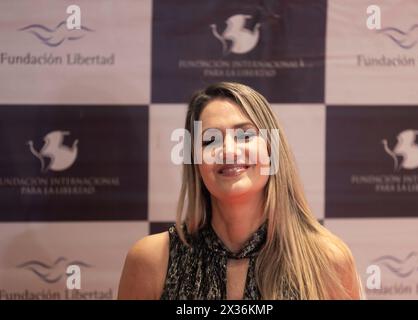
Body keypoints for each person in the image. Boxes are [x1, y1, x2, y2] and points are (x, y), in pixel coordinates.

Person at [118, 82, 364, 300]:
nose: (228, 150)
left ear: (272, 149)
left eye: (245, 135)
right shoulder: (151, 260)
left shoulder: (327, 259)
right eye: (209, 140)